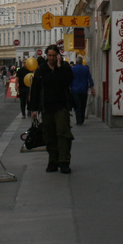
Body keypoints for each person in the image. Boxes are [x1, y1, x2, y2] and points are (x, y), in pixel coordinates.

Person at [30, 45, 74, 174]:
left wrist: (59, 67)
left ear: (58, 56)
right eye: (50, 56)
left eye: (54, 56)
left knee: (63, 133)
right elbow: (35, 90)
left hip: (62, 106)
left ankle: (64, 161)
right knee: (49, 135)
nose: (52, 58)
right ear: (46, 56)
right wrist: (34, 109)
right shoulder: (42, 69)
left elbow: (67, 82)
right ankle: (53, 161)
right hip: (46, 106)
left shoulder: (64, 67)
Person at [69, 56, 95, 125]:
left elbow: (70, 78)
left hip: (75, 89)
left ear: (76, 62)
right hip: (84, 89)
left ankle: (79, 120)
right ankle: (82, 119)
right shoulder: (86, 68)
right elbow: (89, 78)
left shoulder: (73, 69)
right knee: (83, 104)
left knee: (77, 105)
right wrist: (92, 87)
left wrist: (70, 86)